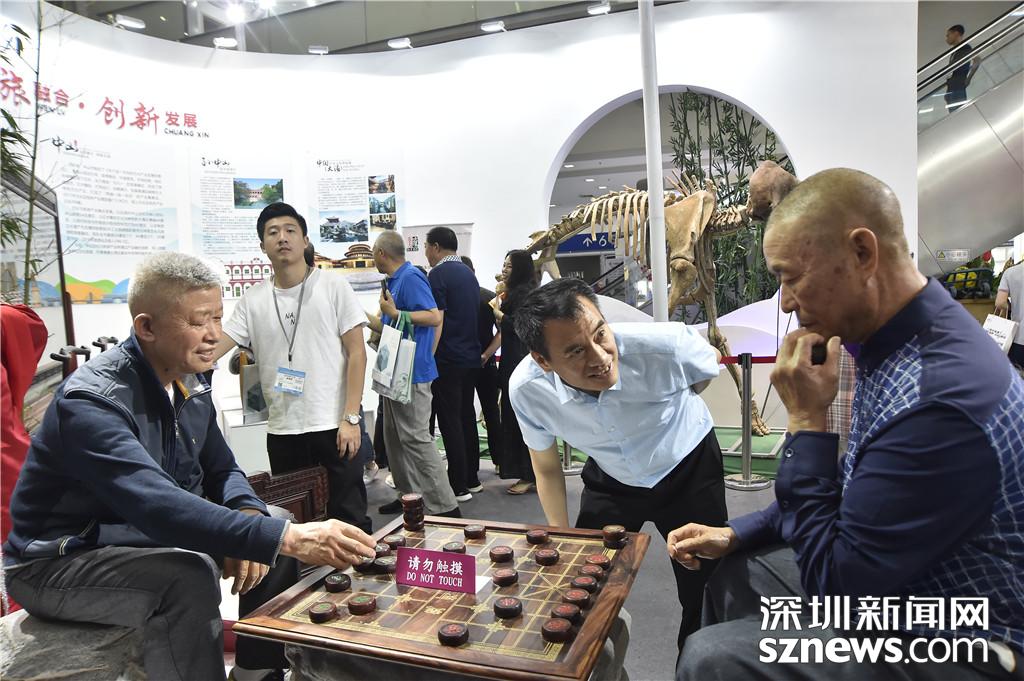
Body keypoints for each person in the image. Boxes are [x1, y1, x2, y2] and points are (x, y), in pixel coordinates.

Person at [673, 169, 1024, 681]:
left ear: (863, 252)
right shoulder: (899, 341)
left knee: (711, 657)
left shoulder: (936, 398)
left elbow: (839, 592)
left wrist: (805, 422)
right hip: (908, 583)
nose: (786, 301)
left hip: (968, 638)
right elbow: (856, 481)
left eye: (791, 277)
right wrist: (737, 530)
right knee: (735, 572)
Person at [2, 253, 377, 681]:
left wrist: (251, 515)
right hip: (59, 563)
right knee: (192, 574)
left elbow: (222, 469)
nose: (214, 335)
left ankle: (254, 672)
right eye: (199, 322)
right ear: (147, 327)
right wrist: (284, 539)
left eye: (218, 317)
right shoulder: (92, 402)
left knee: (272, 520)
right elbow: (156, 505)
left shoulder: (189, 381)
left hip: (139, 539)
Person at [508, 277, 727, 650]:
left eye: (600, 334)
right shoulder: (528, 390)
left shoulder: (665, 346)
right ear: (543, 360)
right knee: (583, 581)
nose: (600, 358)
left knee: (704, 589)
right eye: (576, 351)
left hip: (689, 464)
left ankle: (696, 666)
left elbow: (709, 366)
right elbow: (545, 467)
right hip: (611, 475)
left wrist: (674, 410)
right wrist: (562, 540)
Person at [214, 203, 371, 533]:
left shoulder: (333, 287)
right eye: (273, 232)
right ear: (263, 246)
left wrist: (351, 417)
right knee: (297, 524)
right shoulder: (253, 299)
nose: (282, 238)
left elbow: (357, 353)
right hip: (283, 430)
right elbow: (217, 346)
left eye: (290, 230)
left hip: (333, 423)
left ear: (304, 240)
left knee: (349, 517)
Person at [369, 231, 460, 518]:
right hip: (394, 370)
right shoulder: (394, 281)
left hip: (412, 373)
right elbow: (392, 327)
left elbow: (433, 316)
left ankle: (446, 506)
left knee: (417, 439)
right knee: (394, 439)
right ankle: (408, 496)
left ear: (382, 253)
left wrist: (397, 314)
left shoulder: (410, 277)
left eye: (373, 253)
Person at [424, 227, 482, 501]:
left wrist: (428, 357)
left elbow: (438, 320)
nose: (426, 253)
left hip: (447, 358)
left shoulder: (438, 274)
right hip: (470, 356)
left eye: (426, 247)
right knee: (466, 416)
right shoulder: (469, 274)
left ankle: (457, 485)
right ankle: (472, 478)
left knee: (450, 421)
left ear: (436, 247)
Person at [493, 250, 539, 494]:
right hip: (513, 360)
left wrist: (499, 314)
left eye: (509, 266)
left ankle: (529, 474)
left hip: (520, 362)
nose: (504, 269)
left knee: (522, 419)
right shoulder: (515, 292)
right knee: (512, 417)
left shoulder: (526, 294)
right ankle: (525, 472)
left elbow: (521, 327)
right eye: (504, 264)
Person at [461, 255, 504, 475]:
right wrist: (487, 355)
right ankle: (500, 462)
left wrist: (484, 356)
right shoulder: (488, 297)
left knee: (469, 414)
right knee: (490, 412)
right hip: (484, 363)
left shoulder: (461, 299)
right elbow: (502, 332)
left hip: (466, 364)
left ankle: (471, 467)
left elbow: (503, 330)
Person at [944, 24, 980, 112]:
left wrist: (968, 79)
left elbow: (977, 60)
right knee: (954, 114)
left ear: (956, 33)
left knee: (957, 114)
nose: (947, 38)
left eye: (948, 35)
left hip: (958, 87)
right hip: (953, 87)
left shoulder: (965, 47)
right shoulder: (955, 50)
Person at [995, 260, 1023, 369]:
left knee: (1018, 375)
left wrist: (1012, 306)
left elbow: (1000, 302)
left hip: (1018, 338)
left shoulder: (1010, 272)